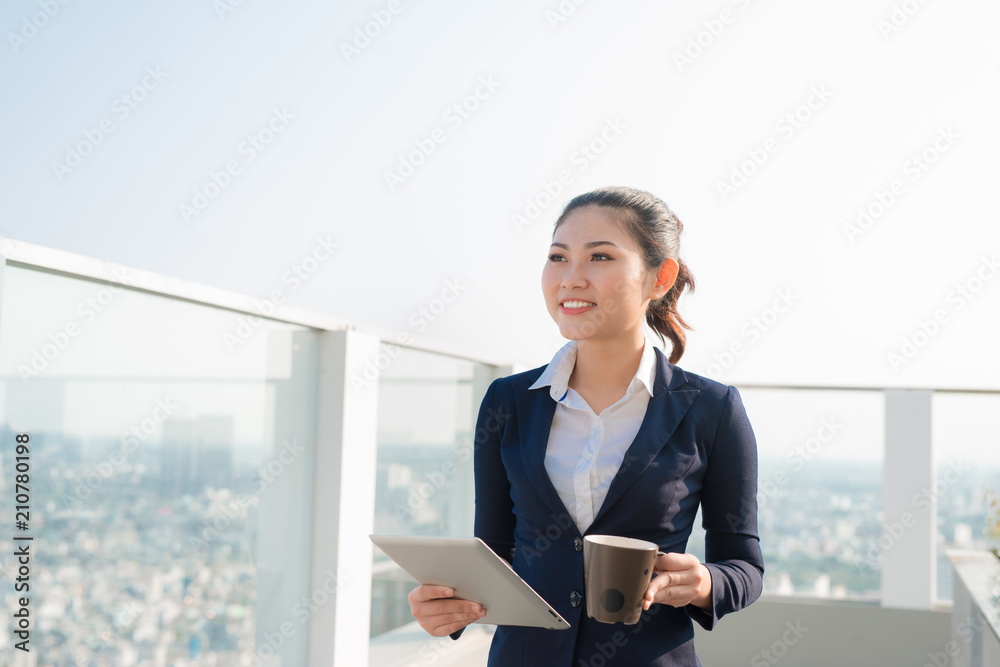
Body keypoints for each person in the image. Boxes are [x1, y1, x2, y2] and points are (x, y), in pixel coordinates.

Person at [408, 185, 763, 665]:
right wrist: (448, 607)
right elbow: (494, 552)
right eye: (558, 257)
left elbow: (744, 567)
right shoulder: (507, 402)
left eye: (599, 257)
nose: (571, 278)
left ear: (660, 277)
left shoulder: (713, 408)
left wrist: (704, 584)